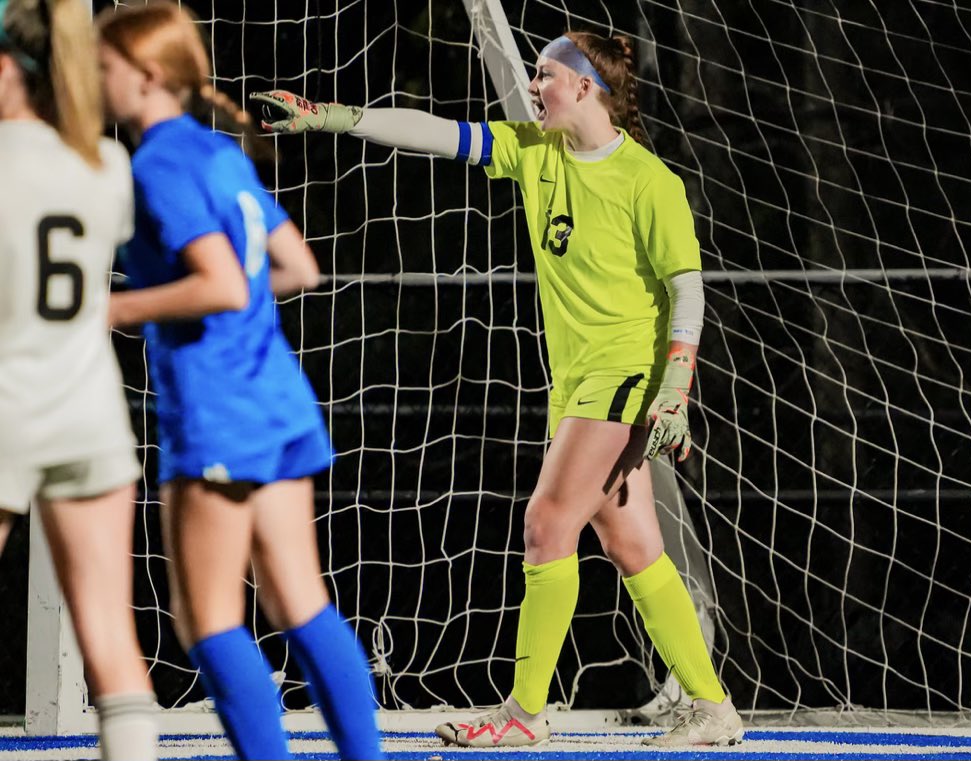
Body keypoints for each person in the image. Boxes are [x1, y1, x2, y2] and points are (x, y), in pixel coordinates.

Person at [253, 30, 743, 748]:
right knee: (630, 543)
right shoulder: (534, 150)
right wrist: (333, 115)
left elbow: (687, 289)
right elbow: (438, 134)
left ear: (584, 88)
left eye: (544, 75)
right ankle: (712, 706)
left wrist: (674, 385)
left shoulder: (648, 181)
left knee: (547, 523)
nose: (533, 85)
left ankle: (521, 713)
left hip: (624, 377)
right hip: (578, 381)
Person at [95, 3, 383, 759]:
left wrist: (116, 306)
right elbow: (298, 267)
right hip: (278, 398)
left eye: (104, 68)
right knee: (300, 601)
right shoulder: (218, 153)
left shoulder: (159, 161)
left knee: (209, 620)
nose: (93, 82)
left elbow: (221, 284)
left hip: (219, 407)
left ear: (148, 74)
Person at [0, 1, 157, 759]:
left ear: (6, 71)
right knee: (111, 640)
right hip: (89, 406)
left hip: (7, 398)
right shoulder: (107, 162)